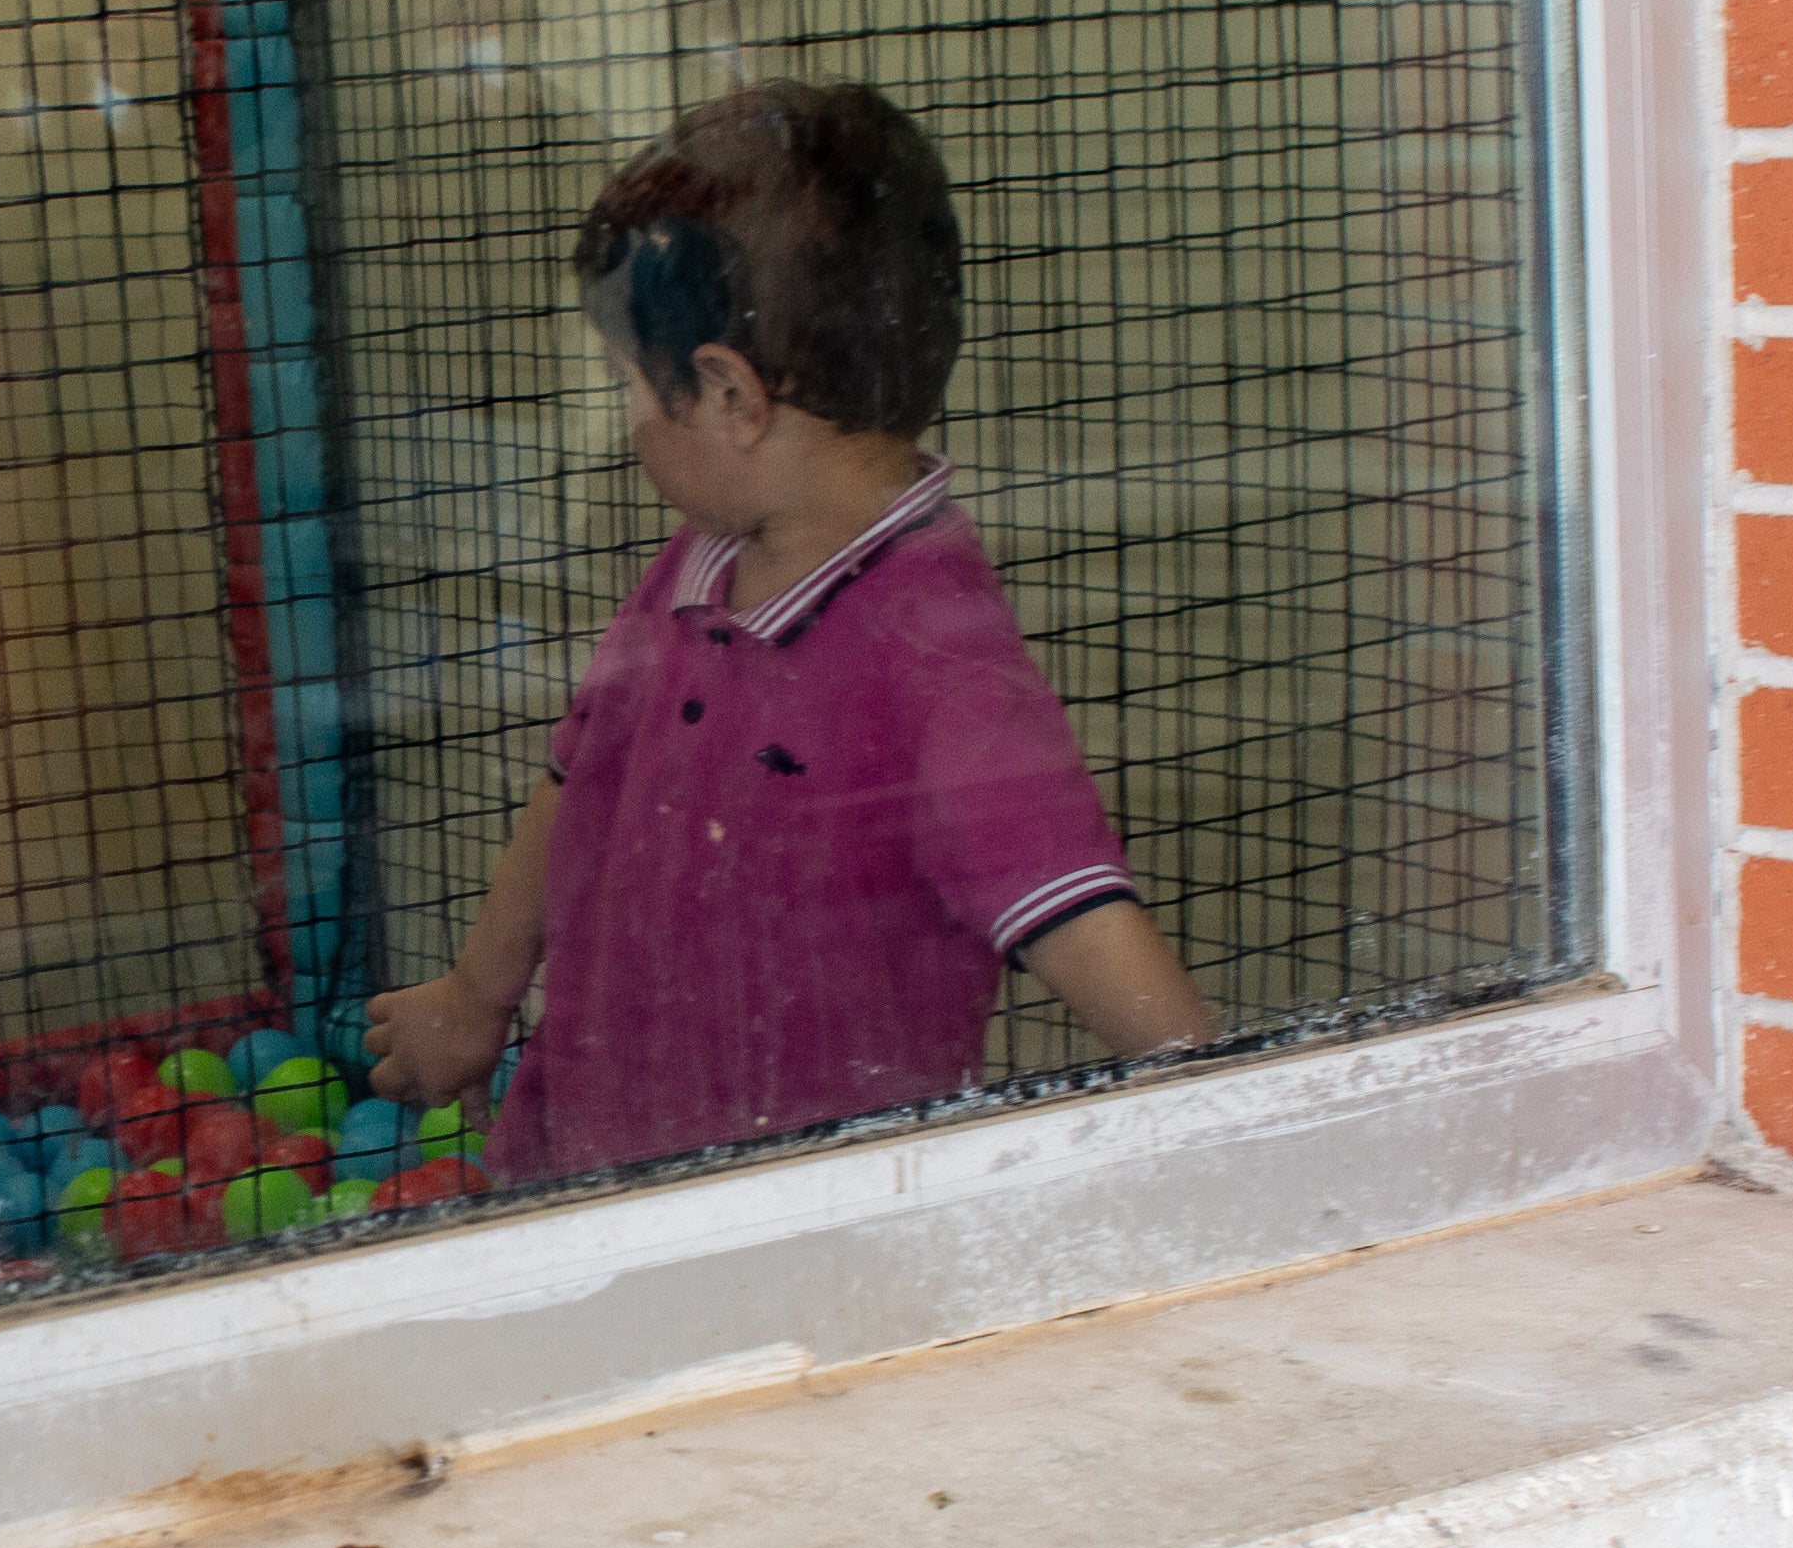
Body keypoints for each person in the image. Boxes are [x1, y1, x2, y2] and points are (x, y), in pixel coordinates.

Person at [365, 79, 1213, 1179]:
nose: (628, 424)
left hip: (801, 1232)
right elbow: (582, 774)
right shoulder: (700, 559)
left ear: (727, 395)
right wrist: (476, 995)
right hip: (586, 1170)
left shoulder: (935, 652)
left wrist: (1222, 1111)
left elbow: (1076, 909)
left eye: (629, 385)